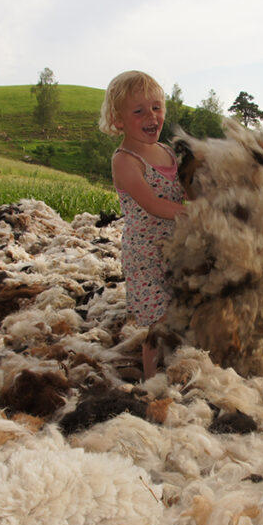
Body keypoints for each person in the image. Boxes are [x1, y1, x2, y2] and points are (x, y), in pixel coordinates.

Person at [98, 70, 188, 380]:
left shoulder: (167, 152)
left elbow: (186, 190)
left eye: (156, 107)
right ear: (117, 119)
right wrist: (196, 215)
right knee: (160, 322)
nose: (151, 116)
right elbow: (153, 204)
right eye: (139, 111)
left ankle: (179, 369)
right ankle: (151, 379)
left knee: (181, 314)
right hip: (145, 256)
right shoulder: (125, 160)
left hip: (175, 251)